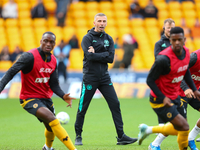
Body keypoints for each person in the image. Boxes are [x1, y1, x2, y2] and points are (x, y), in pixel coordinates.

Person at [0, 32, 77, 150]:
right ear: (41, 41)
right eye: (46, 40)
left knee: (51, 127)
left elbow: (54, 84)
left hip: (46, 98)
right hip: (29, 98)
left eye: (51, 42)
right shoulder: (29, 56)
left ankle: (47, 148)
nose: (48, 44)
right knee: (53, 119)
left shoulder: (53, 61)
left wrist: (63, 96)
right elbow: (11, 72)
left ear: (54, 44)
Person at [74, 13, 137, 146]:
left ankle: (121, 136)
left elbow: (110, 59)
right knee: (82, 107)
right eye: (99, 21)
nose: (102, 23)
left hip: (104, 77)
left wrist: (96, 53)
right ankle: (78, 136)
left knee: (115, 104)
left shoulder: (109, 38)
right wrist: (103, 54)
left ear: (106, 23)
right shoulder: (87, 38)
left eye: (104, 21)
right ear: (94, 23)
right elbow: (89, 57)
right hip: (90, 78)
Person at [138, 27, 200, 150]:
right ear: (170, 40)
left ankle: (190, 139)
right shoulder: (163, 59)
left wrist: (194, 90)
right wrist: (164, 97)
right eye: (174, 40)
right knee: (182, 127)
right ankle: (153, 140)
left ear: (184, 40)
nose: (177, 42)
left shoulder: (186, 53)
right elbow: (150, 80)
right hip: (161, 98)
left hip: (176, 94)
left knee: (182, 127)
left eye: (180, 40)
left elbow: (185, 71)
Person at [149, 18, 175, 150]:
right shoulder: (160, 43)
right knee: (164, 112)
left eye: (172, 28)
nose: (170, 30)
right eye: (168, 27)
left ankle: (155, 142)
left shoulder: (178, 43)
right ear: (164, 28)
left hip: (175, 81)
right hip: (163, 81)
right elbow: (158, 60)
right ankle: (155, 142)